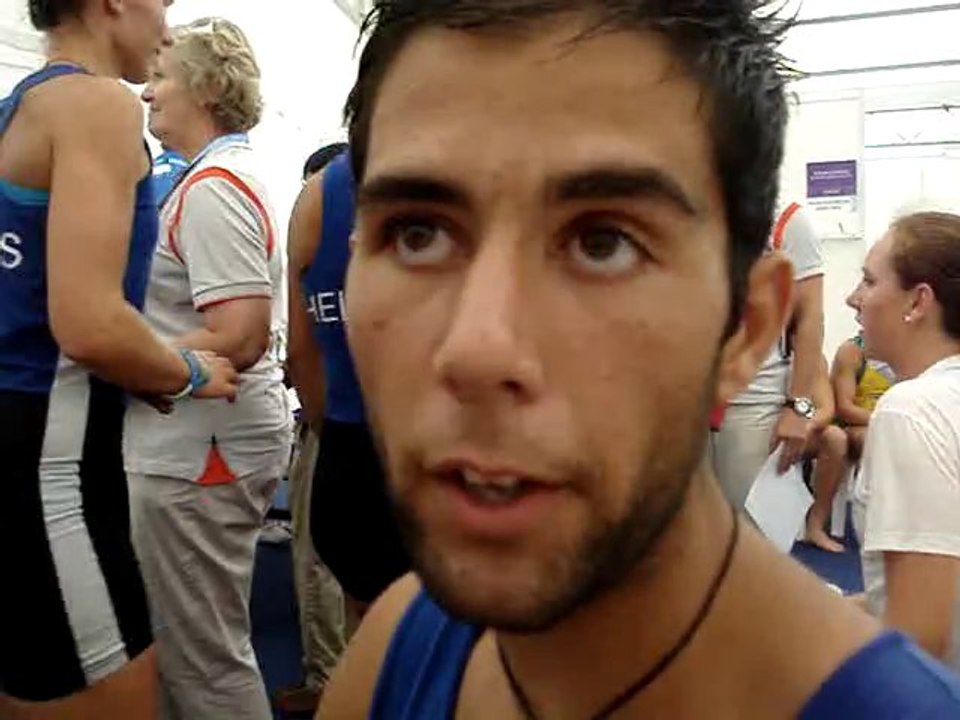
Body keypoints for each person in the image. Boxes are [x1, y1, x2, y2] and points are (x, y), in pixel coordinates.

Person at [319, 2, 960, 719]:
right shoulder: (398, 647)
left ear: (746, 327)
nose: (476, 349)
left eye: (603, 243)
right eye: (417, 235)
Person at [0, 1, 239, 718]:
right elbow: (90, 323)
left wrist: (144, 365)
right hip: (53, 469)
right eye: (162, 1)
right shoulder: (97, 104)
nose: (168, 27)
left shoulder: (19, 108)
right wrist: (192, 372)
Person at [126, 18, 290, 720]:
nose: (145, 93)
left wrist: (121, 359)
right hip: (201, 445)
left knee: (204, 657)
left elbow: (239, 333)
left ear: (207, 88)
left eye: (161, 76)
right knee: (185, 646)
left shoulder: (215, 187)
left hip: (201, 451)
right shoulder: (216, 178)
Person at [287, 141, 409, 623]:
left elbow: (302, 353)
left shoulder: (319, 194)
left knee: (377, 647)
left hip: (347, 456)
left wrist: (332, 429)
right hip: (433, 463)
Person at [849, 211, 960, 672]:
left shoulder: (911, 409)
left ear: (917, 302)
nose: (852, 299)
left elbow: (920, 640)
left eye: (869, 282)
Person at [276, 144, 353, 716]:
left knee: (331, 566)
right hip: (346, 424)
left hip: (339, 427)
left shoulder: (320, 202)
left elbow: (302, 351)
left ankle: (333, 681)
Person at [710, 198, 825, 511]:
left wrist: (798, 406)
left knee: (751, 523)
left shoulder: (788, 220)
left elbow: (810, 316)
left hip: (754, 399)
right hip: (682, 398)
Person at [803, 333, 896, 551]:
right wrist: (889, 420)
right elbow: (843, 409)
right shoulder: (852, 352)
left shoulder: (913, 352)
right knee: (868, 439)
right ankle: (872, 524)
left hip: (891, 422)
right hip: (859, 426)